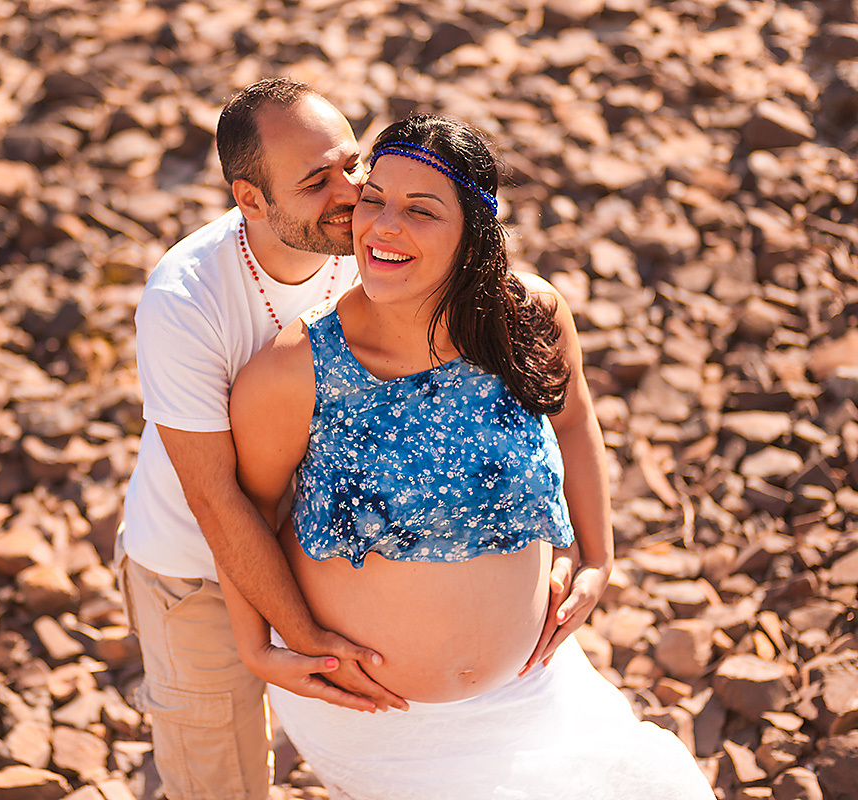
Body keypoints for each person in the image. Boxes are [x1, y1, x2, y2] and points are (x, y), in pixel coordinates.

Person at [223, 114, 715, 799]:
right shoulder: (296, 369)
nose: (384, 226)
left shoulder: (529, 315)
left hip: (536, 691)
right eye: (375, 200)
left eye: (421, 210)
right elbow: (241, 512)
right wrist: (268, 651)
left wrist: (599, 558)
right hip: (376, 717)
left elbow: (574, 421)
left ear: (474, 236)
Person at [116, 78, 395, 800]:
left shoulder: (375, 242)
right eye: (315, 182)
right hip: (197, 572)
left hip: (329, 550)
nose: (352, 191)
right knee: (221, 779)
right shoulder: (186, 301)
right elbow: (214, 498)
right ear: (251, 200)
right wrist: (293, 638)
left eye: (351, 162)